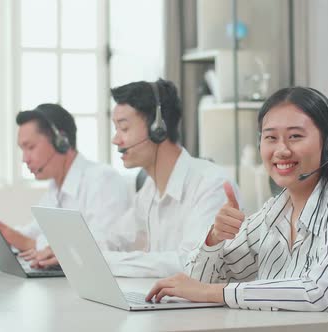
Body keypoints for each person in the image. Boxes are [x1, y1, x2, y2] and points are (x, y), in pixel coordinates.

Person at [146, 87, 328, 332]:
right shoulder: (270, 214)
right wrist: (214, 240)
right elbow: (198, 283)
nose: (281, 150)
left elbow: (316, 293)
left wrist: (212, 292)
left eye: (295, 136)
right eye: (271, 137)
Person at [0, 103, 129, 268]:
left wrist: (30, 243)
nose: (24, 159)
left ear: (61, 141)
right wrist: (1, 234)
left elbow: (104, 245)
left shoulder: (103, 180)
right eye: (23, 149)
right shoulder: (56, 187)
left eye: (31, 147)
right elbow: (35, 230)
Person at [103, 79, 241, 277]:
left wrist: (107, 261)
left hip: (207, 307)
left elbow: (190, 263)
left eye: (124, 129)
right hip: (168, 303)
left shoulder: (210, 184)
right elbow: (116, 237)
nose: (115, 140)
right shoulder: (150, 189)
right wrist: (76, 251)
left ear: (157, 128)